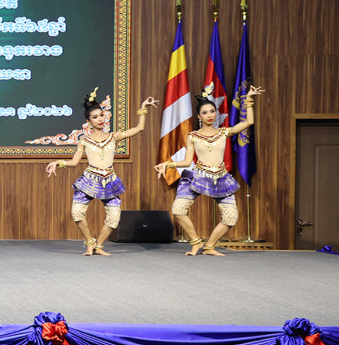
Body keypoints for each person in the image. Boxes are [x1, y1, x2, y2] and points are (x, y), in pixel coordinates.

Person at [155, 82, 264, 255]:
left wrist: (248, 99)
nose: (209, 115)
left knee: (231, 217)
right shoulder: (193, 136)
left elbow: (249, 121)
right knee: (178, 210)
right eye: (205, 112)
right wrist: (167, 164)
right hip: (198, 176)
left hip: (221, 178)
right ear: (199, 116)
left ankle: (210, 246)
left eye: (212, 111)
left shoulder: (224, 132)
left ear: (216, 113)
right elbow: (187, 161)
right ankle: (196, 242)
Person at [46, 89, 159, 255]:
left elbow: (139, 128)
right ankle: (90, 242)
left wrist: (143, 108)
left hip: (109, 181)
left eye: (101, 115)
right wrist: (58, 163)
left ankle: (98, 246)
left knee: (114, 217)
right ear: (88, 121)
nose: (100, 119)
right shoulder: (84, 141)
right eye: (95, 117)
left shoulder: (113, 136)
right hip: (89, 180)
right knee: (77, 213)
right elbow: (75, 162)